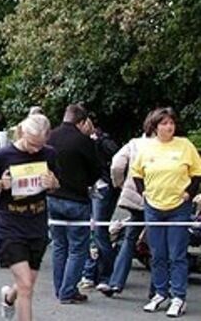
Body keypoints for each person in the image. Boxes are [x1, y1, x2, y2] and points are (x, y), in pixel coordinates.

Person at [0, 114, 59, 321]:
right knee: (26, 286)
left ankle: (9, 298)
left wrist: (52, 183)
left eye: (40, 145)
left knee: (26, 283)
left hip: (36, 222)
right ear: (21, 133)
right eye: (31, 144)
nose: (35, 150)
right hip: (10, 222)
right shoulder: (4, 155)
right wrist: (1, 184)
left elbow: (56, 184)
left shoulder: (50, 154)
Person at [132, 107, 201, 317]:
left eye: (171, 123)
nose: (168, 127)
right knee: (157, 253)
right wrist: (143, 193)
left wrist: (189, 193)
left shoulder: (185, 146)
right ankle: (160, 292)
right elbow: (136, 173)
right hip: (153, 206)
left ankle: (178, 296)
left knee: (177, 255)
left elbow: (197, 173)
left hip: (178, 207)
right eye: (163, 123)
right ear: (155, 126)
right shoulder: (146, 148)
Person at [46, 104, 100, 304]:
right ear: (82, 121)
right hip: (77, 199)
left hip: (53, 197)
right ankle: (68, 291)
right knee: (78, 248)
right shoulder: (84, 141)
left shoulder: (49, 137)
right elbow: (95, 170)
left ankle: (60, 288)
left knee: (59, 246)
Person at [99, 114, 155, 297]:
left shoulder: (134, 143)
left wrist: (121, 185)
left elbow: (116, 165)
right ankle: (157, 289)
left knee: (129, 239)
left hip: (134, 196)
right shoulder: (165, 147)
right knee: (157, 241)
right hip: (157, 197)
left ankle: (116, 282)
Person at [79, 123, 120, 290]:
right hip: (101, 188)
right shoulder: (104, 141)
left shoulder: (100, 142)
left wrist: (110, 180)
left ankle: (103, 274)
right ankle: (95, 273)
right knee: (96, 231)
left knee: (97, 232)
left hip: (101, 188)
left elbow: (117, 162)